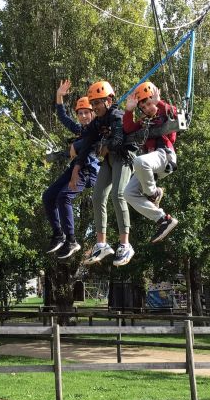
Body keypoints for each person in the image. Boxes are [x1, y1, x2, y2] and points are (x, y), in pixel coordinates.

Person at [69, 80, 135, 267]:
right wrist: (76, 169)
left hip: (123, 157)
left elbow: (119, 140)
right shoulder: (97, 122)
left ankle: (125, 244)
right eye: (93, 103)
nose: (95, 107)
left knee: (118, 195)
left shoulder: (116, 116)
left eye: (98, 102)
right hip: (109, 160)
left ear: (109, 100)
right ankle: (101, 244)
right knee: (97, 197)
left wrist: (106, 147)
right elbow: (86, 145)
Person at [42, 80, 99, 260]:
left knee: (64, 196)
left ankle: (72, 240)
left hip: (88, 172)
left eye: (86, 113)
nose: (83, 116)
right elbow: (63, 117)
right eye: (80, 113)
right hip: (75, 168)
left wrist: (76, 146)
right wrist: (59, 96)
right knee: (48, 196)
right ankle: (58, 234)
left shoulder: (97, 129)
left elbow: (90, 143)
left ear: (93, 113)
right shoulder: (80, 129)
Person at [123, 81, 179, 243]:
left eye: (149, 104)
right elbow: (128, 129)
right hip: (150, 166)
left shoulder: (164, 113)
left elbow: (175, 113)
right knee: (128, 193)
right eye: (143, 107)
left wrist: (158, 103)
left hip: (164, 155)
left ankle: (153, 193)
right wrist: (129, 111)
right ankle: (163, 219)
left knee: (139, 161)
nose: (147, 109)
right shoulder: (144, 121)